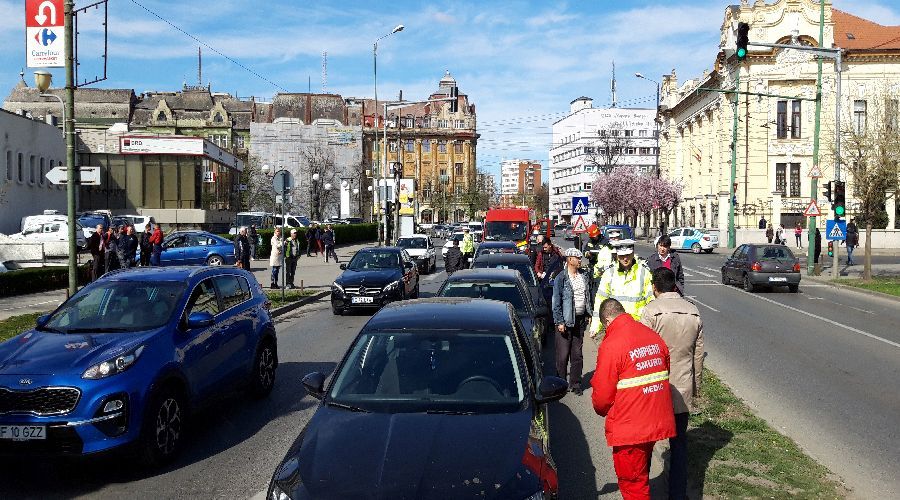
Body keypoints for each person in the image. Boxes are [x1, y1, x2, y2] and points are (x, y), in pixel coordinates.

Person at [591, 298, 676, 500]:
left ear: (607, 321)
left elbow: (602, 396)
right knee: (641, 473)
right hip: (654, 420)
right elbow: (665, 372)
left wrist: (602, 411)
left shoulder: (612, 345)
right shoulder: (653, 337)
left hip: (630, 428)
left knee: (633, 485)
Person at [640, 268, 704, 500]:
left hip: (653, 388)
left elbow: (642, 353)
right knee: (679, 445)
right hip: (682, 387)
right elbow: (698, 355)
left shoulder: (650, 312)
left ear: (655, 287)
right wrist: (696, 386)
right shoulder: (693, 312)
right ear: (675, 286)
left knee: (646, 443)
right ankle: (677, 494)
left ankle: (642, 490)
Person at [589, 239, 654, 338]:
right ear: (617, 256)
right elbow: (600, 301)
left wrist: (650, 327)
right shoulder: (609, 273)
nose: (625, 259)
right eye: (622, 256)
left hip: (637, 327)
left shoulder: (644, 273)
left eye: (627, 255)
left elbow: (651, 302)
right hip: (615, 327)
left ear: (632, 254)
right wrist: (595, 326)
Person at [552, 248, 591, 396]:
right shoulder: (561, 278)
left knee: (577, 354)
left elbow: (587, 295)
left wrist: (588, 312)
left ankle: (575, 383)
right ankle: (560, 383)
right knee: (562, 355)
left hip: (579, 321)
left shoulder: (584, 276)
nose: (580, 260)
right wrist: (559, 321)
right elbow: (556, 302)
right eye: (577, 258)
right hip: (565, 322)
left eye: (580, 258)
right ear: (569, 260)